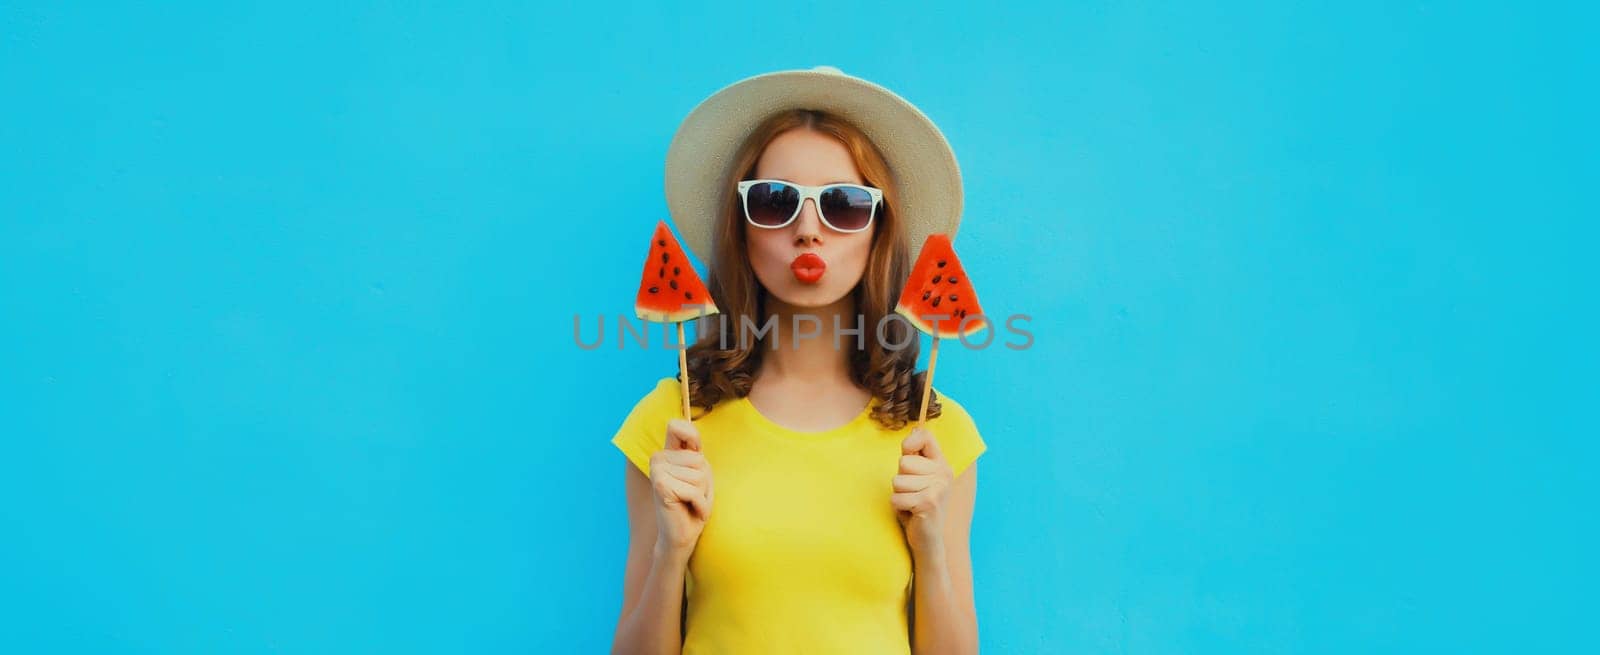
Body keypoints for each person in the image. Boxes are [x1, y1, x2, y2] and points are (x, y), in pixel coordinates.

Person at [609, 66, 988, 655]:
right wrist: (670, 553)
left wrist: (931, 547)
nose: (808, 231)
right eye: (775, 200)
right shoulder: (673, 421)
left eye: (842, 204)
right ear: (742, 225)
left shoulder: (934, 433)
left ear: (877, 227)